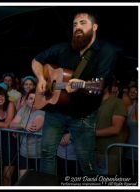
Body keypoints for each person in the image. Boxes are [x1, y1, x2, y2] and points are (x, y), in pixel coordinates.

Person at [31, 11, 117, 176]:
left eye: (82, 23)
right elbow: (36, 60)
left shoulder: (106, 51)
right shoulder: (63, 48)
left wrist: (82, 85)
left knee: (87, 163)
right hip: (55, 112)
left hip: (83, 117)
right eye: (75, 24)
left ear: (94, 27)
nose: (77, 27)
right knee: (46, 153)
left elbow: (99, 85)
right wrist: (42, 78)